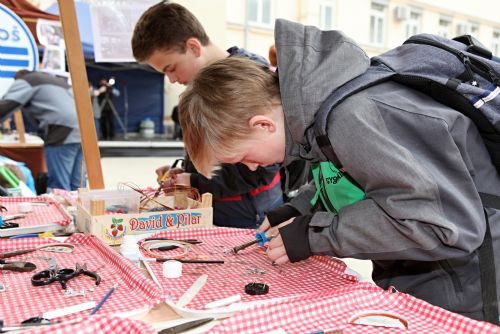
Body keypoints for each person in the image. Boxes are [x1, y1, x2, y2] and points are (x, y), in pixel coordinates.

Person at [177, 19, 500, 322]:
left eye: (243, 157)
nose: (251, 167)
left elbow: (438, 224)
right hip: (432, 271)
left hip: (471, 284)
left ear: (262, 124)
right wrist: (298, 208)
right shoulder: (322, 115)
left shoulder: (351, 117)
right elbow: (358, 180)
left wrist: (315, 234)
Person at [131, 1, 285, 228]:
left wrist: (194, 181)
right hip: (217, 210)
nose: (172, 80)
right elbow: (214, 154)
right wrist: (186, 171)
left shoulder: (248, 77)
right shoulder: (199, 90)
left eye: (171, 68)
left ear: (193, 47)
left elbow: (259, 170)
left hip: (249, 217)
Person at [0, 70, 85, 191]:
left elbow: (7, 104)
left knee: (59, 188)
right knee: (79, 186)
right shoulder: (57, 81)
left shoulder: (26, 81)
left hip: (61, 132)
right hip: (84, 129)